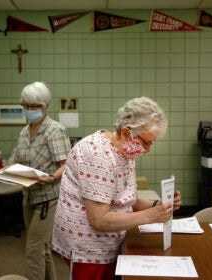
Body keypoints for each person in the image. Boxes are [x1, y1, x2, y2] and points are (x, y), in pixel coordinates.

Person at [52, 96, 181, 280]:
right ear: (127, 132)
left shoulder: (125, 152)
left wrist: (157, 206)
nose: (149, 149)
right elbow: (99, 220)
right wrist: (149, 216)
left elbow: (128, 199)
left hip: (113, 239)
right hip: (88, 247)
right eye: (147, 142)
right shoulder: (98, 155)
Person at [8, 82, 71, 280]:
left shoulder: (54, 130)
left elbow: (67, 164)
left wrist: (52, 177)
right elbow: (14, 161)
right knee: (42, 249)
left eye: (35, 106)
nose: (30, 110)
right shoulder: (24, 132)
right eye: (26, 106)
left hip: (49, 198)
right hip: (29, 195)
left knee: (34, 248)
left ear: (46, 106)